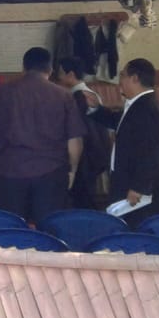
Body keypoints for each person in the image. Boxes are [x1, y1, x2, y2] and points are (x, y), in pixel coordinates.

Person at [0, 47, 84, 225]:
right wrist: (72, 170)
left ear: (23, 67)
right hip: (51, 172)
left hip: (10, 171)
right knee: (49, 227)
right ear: (50, 69)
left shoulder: (3, 92)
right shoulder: (64, 95)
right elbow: (74, 140)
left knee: (12, 226)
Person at [85, 58, 159, 227]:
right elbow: (118, 122)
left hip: (138, 190)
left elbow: (152, 152)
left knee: (133, 229)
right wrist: (96, 108)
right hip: (128, 181)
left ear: (135, 78)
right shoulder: (138, 104)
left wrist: (139, 187)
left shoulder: (146, 109)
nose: (120, 81)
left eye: (123, 75)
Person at [56, 56, 111, 209]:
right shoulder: (89, 94)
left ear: (70, 74)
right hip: (91, 155)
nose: (58, 77)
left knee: (82, 199)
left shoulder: (80, 97)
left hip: (85, 156)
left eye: (60, 73)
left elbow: (76, 130)